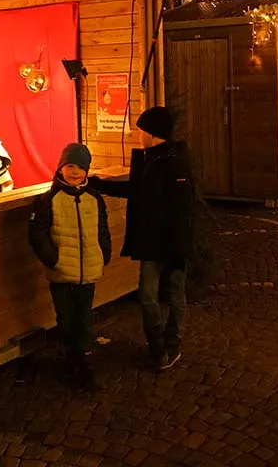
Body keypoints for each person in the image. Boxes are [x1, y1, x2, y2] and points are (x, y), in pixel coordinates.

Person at [93, 106, 195, 372]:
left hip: (170, 244)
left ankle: (172, 342)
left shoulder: (174, 163)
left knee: (174, 294)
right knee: (148, 296)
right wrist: (101, 185)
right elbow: (135, 192)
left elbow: (183, 210)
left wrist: (178, 250)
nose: (138, 134)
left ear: (153, 133)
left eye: (141, 130)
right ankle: (157, 345)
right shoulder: (147, 159)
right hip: (149, 242)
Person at [28, 143, 112, 390]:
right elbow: (37, 232)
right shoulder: (49, 200)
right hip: (62, 271)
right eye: (70, 166)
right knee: (65, 317)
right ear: (61, 168)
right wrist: (53, 259)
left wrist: (103, 254)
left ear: (87, 171)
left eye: (80, 167)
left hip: (88, 271)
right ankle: (70, 356)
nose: (75, 172)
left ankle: (83, 357)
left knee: (84, 316)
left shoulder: (94, 199)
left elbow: (102, 229)